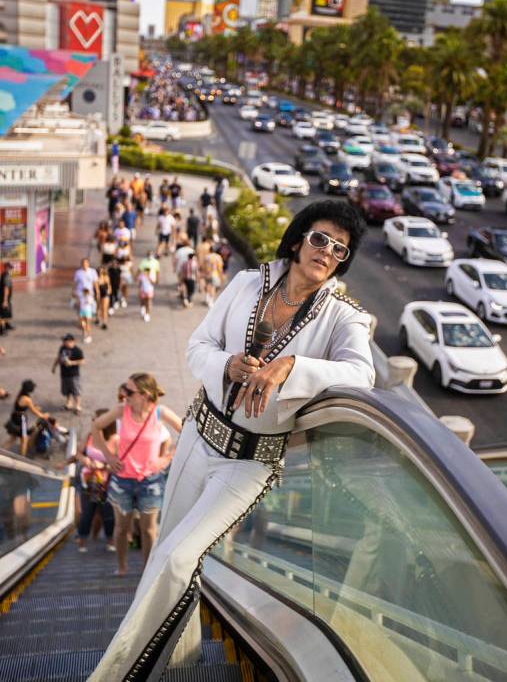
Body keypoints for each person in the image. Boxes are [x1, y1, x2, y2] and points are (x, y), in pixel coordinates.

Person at [88, 200, 375, 681]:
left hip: (249, 463)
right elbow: (197, 345)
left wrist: (293, 367)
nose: (326, 252)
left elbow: (361, 374)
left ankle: (117, 673)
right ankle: (176, 657)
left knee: (181, 558)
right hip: (198, 437)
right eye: (320, 239)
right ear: (299, 237)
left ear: (343, 261)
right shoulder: (247, 284)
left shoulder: (342, 317)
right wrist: (225, 364)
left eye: (339, 249)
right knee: (163, 556)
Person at [91, 373, 182, 578]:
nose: (124, 395)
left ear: (144, 394)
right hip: (122, 480)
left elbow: (187, 431)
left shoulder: (160, 413)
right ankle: (122, 566)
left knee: (149, 530)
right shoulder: (121, 410)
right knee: (122, 528)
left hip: (150, 481)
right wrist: (108, 456)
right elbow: (96, 426)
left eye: (129, 391)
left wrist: (166, 459)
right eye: (124, 389)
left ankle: (146, 570)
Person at [76, 411, 118, 554]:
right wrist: (84, 460)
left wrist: (103, 466)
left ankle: (110, 540)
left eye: (96, 419)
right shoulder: (89, 436)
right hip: (88, 481)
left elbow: (121, 464)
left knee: (108, 513)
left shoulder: (116, 440)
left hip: (107, 483)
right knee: (87, 513)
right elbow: (78, 452)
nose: (93, 421)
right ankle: (82, 541)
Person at [3, 380, 50, 456]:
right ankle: (22, 458)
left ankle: (1, 452)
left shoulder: (21, 394)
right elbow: (36, 412)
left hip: (15, 417)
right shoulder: (27, 399)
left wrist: (34, 407)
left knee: (13, 438)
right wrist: (44, 415)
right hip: (21, 419)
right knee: (24, 439)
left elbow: (23, 406)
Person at [52, 334, 84, 413]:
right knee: (67, 390)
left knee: (76, 390)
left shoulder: (77, 350)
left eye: (65, 341)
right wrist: (54, 366)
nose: (64, 342)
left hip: (74, 374)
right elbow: (59, 357)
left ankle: (78, 406)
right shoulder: (62, 348)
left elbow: (82, 361)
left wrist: (72, 363)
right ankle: (68, 403)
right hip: (64, 373)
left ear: (72, 341)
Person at [0, 262, 14, 334]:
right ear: (7, 268)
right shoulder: (6, 277)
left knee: (7, 312)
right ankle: (1, 329)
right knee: (3, 314)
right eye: (11, 268)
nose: (12, 269)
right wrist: (5, 300)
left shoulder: (4, 274)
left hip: (4, 298)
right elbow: (6, 288)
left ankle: (6, 324)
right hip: (4, 298)